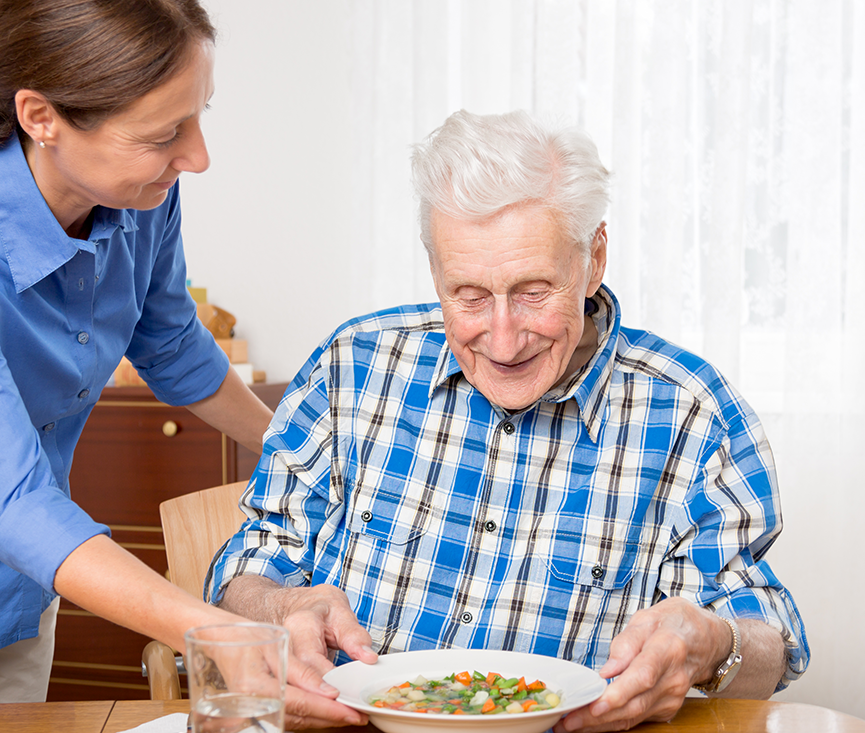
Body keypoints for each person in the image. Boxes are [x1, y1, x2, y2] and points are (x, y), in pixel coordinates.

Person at [208, 109, 810, 730]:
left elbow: (771, 645)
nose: (501, 341)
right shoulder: (354, 365)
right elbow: (247, 568)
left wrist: (710, 645)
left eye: (533, 292)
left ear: (593, 259)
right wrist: (279, 608)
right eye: (468, 295)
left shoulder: (692, 413)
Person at [0, 1, 374, 724]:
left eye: (199, 116)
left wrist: (303, 457)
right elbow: (14, 499)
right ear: (40, 117)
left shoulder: (141, 201)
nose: (198, 156)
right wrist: (222, 631)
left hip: (22, 592)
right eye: (166, 132)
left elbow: (171, 343)